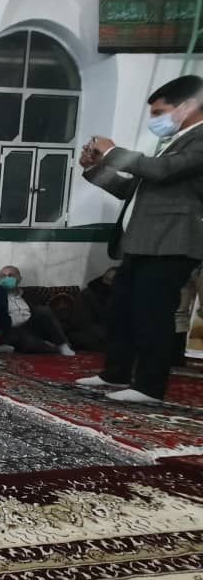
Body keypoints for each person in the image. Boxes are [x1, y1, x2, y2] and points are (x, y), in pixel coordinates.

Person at [76, 74, 203, 403]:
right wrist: (95, 168)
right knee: (121, 311)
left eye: (160, 113)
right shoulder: (171, 144)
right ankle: (115, 372)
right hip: (142, 242)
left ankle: (149, 386)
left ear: (187, 107)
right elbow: (129, 190)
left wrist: (112, 151)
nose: (154, 121)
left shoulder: (198, 140)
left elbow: (161, 172)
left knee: (153, 314)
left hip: (172, 243)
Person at [0, 266, 75, 356]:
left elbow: (43, 316)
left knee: (43, 310)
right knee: (29, 344)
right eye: (3, 276)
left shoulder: (30, 293)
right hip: (12, 330)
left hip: (32, 326)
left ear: (19, 279)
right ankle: (51, 347)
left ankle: (63, 345)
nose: (7, 279)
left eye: (11, 275)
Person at [65, 267, 117, 352]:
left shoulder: (119, 296)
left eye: (112, 281)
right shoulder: (88, 295)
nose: (108, 283)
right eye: (107, 279)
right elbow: (83, 323)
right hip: (83, 333)